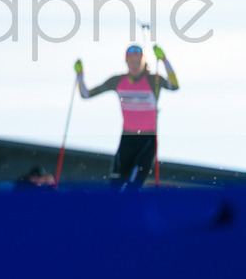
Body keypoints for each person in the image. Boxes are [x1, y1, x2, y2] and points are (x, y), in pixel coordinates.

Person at [75, 45, 179, 190]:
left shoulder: (153, 80)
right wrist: (80, 75)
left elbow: (174, 85)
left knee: (133, 185)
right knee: (116, 183)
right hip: (127, 138)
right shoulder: (118, 81)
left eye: (138, 61)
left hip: (147, 140)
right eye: (131, 61)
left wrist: (164, 60)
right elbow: (86, 94)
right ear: (126, 62)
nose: (135, 65)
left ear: (144, 62)